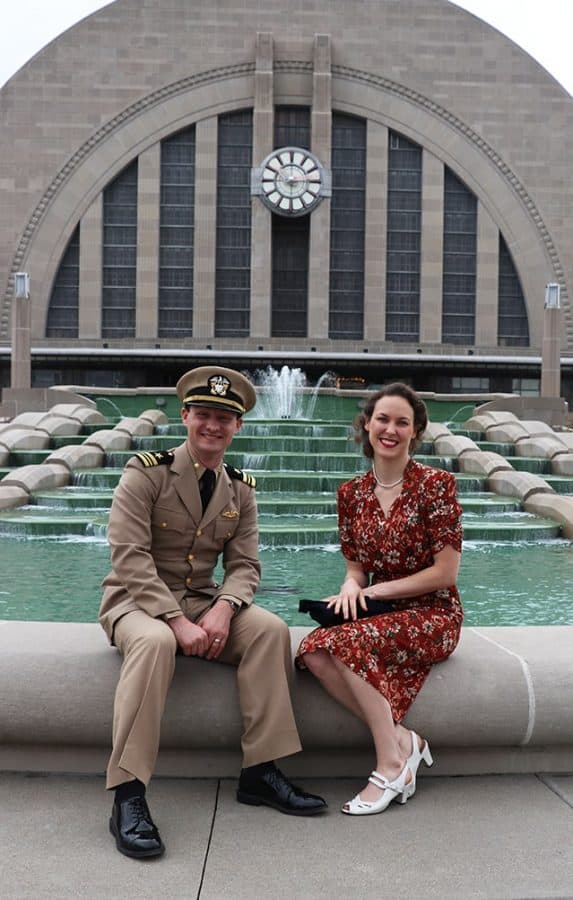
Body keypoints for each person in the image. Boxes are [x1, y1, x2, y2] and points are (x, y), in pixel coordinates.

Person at [100, 365, 326, 859]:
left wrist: (224, 607)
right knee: (157, 641)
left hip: (203, 600)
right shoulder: (146, 472)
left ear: (238, 426)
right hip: (137, 601)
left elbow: (245, 563)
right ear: (185, 416)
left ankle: (260, 772)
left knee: (270, 630)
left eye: (224, 418)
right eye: (204, 414)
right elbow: (129, 557)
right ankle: (128, 794)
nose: (213, 426)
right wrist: (175, 621)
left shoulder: (240, 488)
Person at [297, 382, 463, 816]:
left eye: (402, 422)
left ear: (415, 432)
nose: (391, 429)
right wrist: (352, 586)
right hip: (379, 611)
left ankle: (391, 764)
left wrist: (372, 590)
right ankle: (405, 740)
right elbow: (355, 567)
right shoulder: (350, 495)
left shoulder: (436, 486)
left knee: (347, 643)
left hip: (433, 613)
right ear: (367, 425)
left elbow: (445, 572)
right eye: (383, 419)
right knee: (312, 651)